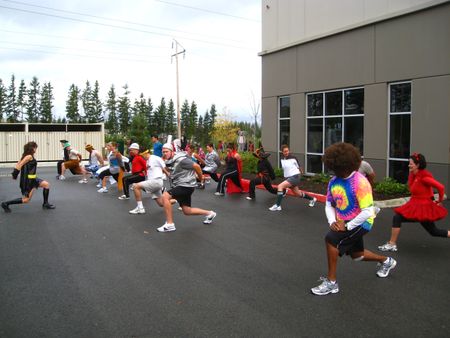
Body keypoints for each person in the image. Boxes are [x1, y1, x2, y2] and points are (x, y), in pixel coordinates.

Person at [311, 142, 396, 296]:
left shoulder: (360, 183)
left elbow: (368, 211)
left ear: (347, 166)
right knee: (358, 256)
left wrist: (348, 226)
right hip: (344, 221)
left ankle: (332, 283)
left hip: (362, 222)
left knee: (331, 239)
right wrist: (332, 221)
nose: (334, 172)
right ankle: (386, 261)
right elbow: (329, 204)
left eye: (336, 169)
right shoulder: (334, 181)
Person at [378, 152, 449, 252]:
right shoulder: (414, 176)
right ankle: (392, 243)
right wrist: (433, 199)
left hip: (423, 209)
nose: (408, 165)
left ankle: (392, 244)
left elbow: (441, 187)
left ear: (418, 165)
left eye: (411, 163)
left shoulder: (424, 177)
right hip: (416, 206)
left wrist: (439, 201)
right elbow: (428, 190)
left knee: (433, 231)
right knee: (433, 231)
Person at [157, 143, 217, 233]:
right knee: (187, 211)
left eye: (166, 151)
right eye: (163, 152)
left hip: (185, 185)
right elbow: (168, 167)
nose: (165, 153)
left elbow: (196, 166)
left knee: (165, 196)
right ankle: (210, 213)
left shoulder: (181, 160)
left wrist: (201, 178)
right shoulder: (170, 159)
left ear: (172, 151)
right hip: (183, 185)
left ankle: (170, 224)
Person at [2, 141, 55, 212]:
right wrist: (15, 174)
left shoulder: (26, 156)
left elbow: (18, 163)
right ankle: (5, 203)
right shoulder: (29, 156)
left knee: (46, 185)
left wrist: (15, 174)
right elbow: (19, 165)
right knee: (26, 200)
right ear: (32, 148)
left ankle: (45, 204)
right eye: (35, 148)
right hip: (28, 181)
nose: (36, 149)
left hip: (33, 178)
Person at [269, 145, 316, 211]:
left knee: (280, 186)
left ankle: (277, 205)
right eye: (285, 151)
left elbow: (299, 167)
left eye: (287, 151)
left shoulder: (293, 158)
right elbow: (286, 169)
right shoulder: (282, 159)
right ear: (282, 152)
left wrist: (301, 173)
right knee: (298, 194)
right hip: (289, 178)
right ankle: (312, 199)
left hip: (295, 176)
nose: (287, 152)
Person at [129, 149, 171, 214]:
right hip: (154, 182)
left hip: (156, 181)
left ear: (146, 153)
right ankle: (177, 201)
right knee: (161, 204)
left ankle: (140, 208)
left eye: (143, 156)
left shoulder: (155, 158)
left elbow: (163, 166)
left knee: (135, 186)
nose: (142, 157)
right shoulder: (148, 161)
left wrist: (167, 173)